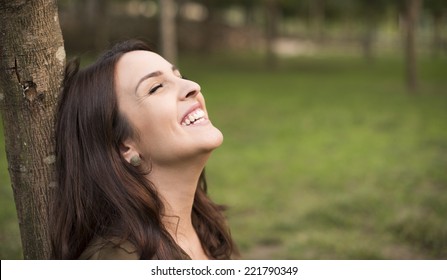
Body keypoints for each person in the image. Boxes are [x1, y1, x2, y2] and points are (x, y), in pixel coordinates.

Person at [50, 39, 238, 260]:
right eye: (156, 87)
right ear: (124, 146)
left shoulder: (204, 226)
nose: (193, 87)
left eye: (179, 77)